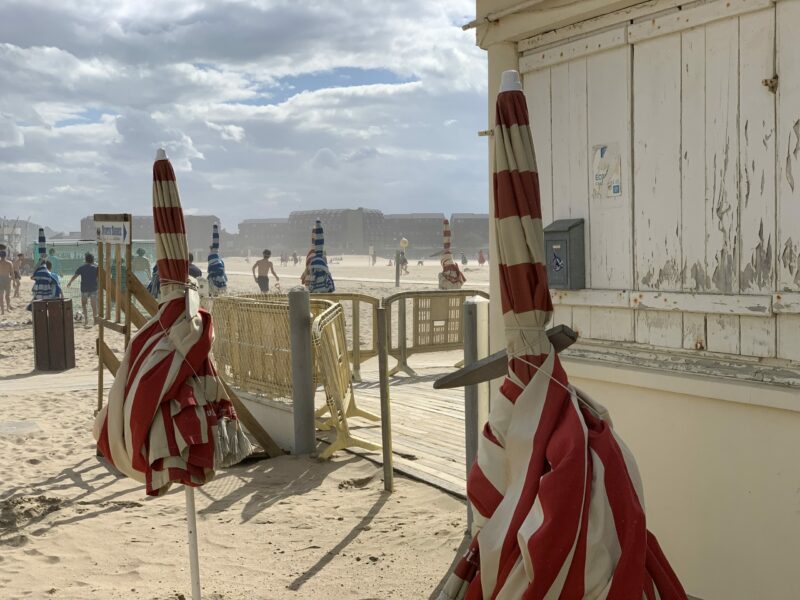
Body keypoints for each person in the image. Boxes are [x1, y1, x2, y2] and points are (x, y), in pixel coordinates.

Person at [67, 253, 99, 327]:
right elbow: (99, 278)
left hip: (84, 289)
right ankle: (95, 321)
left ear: (85, 260)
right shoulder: (96, 268)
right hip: (94, 288)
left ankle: (86, 320)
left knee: (84, 305)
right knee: (94, 306)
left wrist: (70, 282)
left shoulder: (81, 267)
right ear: (93, 260)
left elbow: (75, 276)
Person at [0, 247, 13, 314]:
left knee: (1, 296)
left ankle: (3, 311)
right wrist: (13, 281)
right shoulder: (9, 263)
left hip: (1, 279)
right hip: (7, 279)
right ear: (5, 256)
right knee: (7, 296)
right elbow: (12, 273)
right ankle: (7, 308)